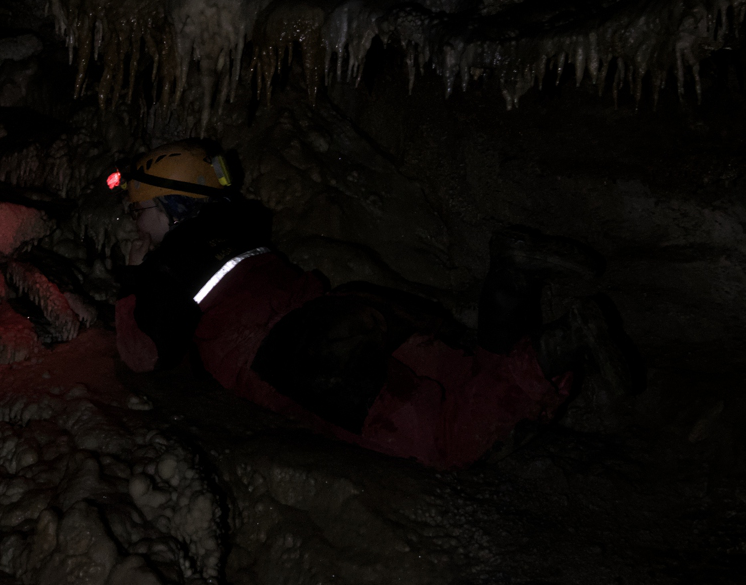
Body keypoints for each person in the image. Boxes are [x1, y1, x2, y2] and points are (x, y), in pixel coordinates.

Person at [110, 139, 636, 469]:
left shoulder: (170, 263)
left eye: (139, 212)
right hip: (350, 310)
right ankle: (512, 277)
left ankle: (560, 341)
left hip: (302, 355)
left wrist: (132, 279)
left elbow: (143, 355)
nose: (136, 225)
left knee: (445, 441)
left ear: (171, 208)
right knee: (468, 376)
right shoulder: (242, 229)